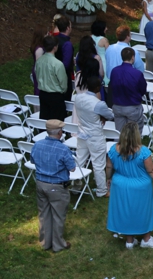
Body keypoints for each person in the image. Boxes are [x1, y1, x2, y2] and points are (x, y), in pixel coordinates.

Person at [106, 122, 153, 249]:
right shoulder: (143, 151)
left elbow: (109, 166)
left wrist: (109, 178)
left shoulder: (113, 149)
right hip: (140, 185)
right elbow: (152, 170)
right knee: (143, 210)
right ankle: (146, 239)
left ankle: (129, 241)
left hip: (120, 184)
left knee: (126, 210)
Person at [30, 119, 76, 252]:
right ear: (60, 132)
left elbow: (33, 160)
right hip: (57, 186)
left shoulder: (37, 145)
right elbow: (72, 168)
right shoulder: (63, 149)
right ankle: (58, 244)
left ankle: (45, 242)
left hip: (40, 183)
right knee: (58, 215)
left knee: (44, 214)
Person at [75, 77, 115, 198]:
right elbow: (110, 115)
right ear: (98, 88)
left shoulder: (78, 97)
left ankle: (76, 185)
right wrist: (101, 116)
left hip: (82, 132)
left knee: (79, 160)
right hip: (95, 136)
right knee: (98, 164)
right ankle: (101, 190)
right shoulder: (98, 104)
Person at [109, 48, 147, 134]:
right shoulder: (137, 73)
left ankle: (121, 147)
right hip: (132, 107)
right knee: (134, 135)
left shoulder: (114, 71)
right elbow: (143, 90)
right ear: (133, 57)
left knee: (120, 134)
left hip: (117, 106)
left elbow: (112, 86)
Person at [36, 35, 67, 121]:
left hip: (43, 94)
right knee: (56, 123)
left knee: (44, 119)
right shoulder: (58, 64)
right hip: (55, 96)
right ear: (55, 47)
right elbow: (63, 83)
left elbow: (37, 75)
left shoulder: (39, 61)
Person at [76, 36, 104, 100]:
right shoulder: (97, 57)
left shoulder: (78, 55)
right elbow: (101, 73)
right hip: (94, 84)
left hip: (81, 82)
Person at [54, 15, 74, 101]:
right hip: (63, 78)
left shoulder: (54, 39)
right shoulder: (67, 44)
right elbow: (65, 65)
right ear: (68, 28)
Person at [91, 20, 110, 85]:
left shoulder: (90, 37)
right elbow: (108, 52)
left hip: (93, 60)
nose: (106, 28)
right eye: (105, 27)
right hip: (104, 62)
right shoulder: (104, 40)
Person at [30, 26, 46, 96]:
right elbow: (39, 65)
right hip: (39, 72)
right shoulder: (40, 49)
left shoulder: (39, 47)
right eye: (45, 34)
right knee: (38, 89)